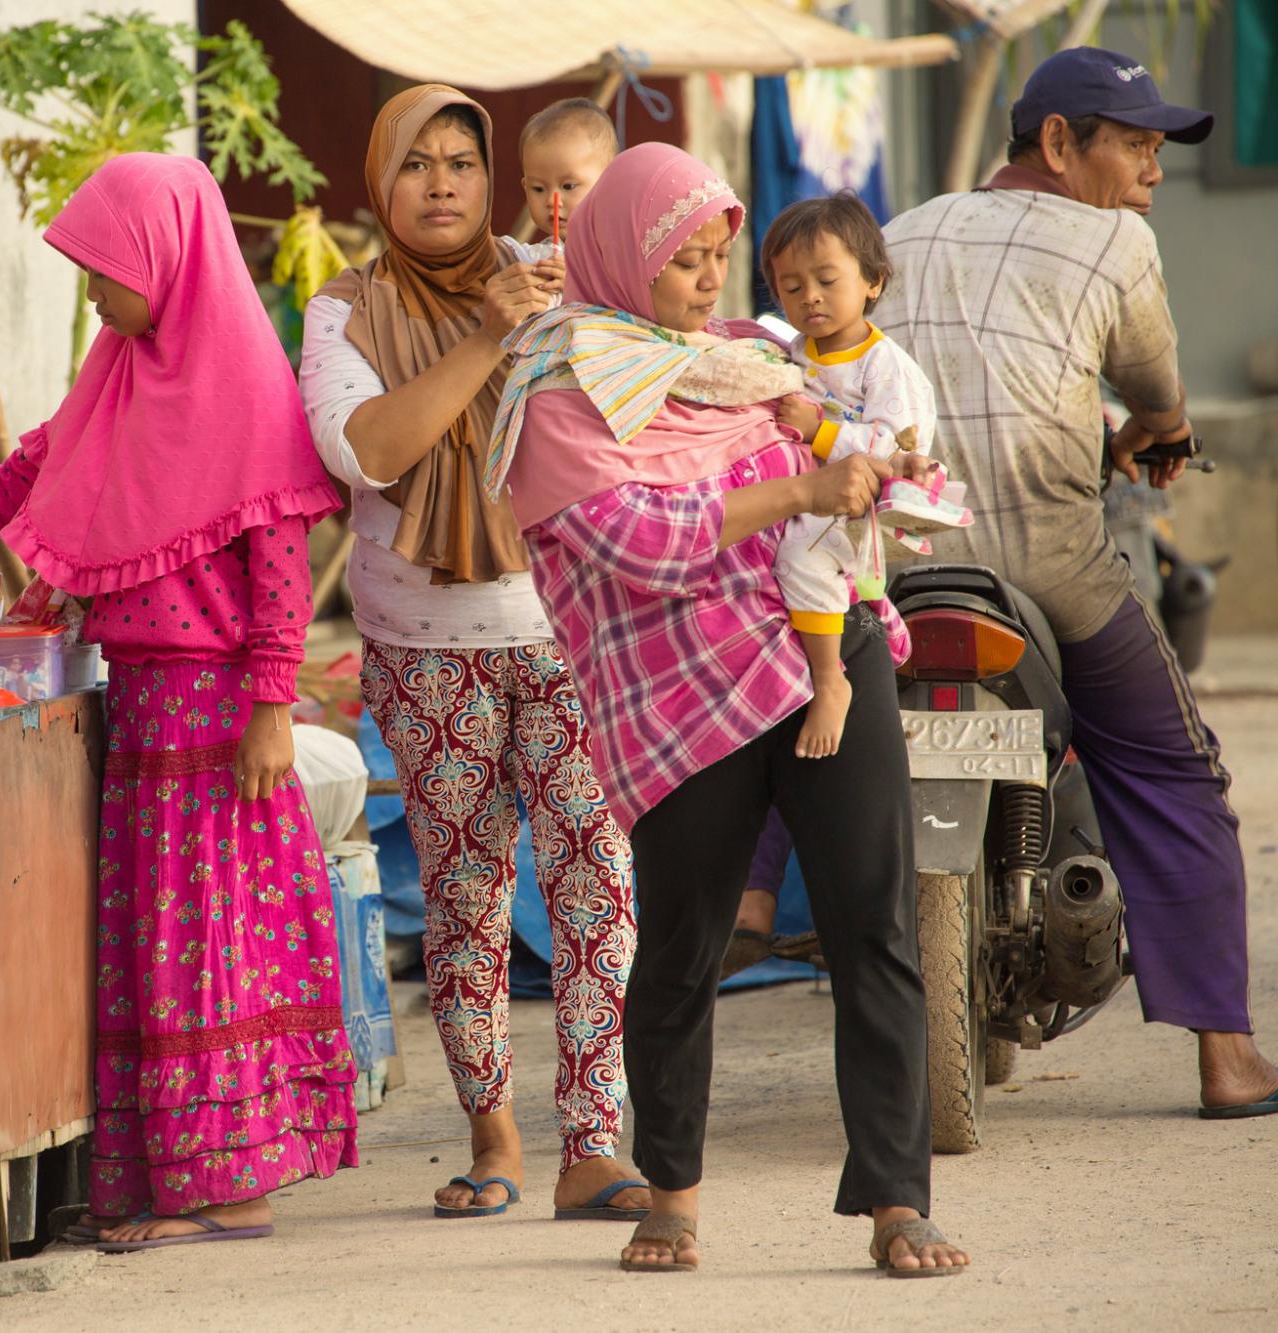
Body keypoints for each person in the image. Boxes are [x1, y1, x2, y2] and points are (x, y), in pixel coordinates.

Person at [0, 153, 359, 1250]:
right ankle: (177, 1177)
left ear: (168, 259)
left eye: (106, 271)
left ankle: (224, 1186)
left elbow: (282, 572)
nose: (95, 296)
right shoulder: (117, 378)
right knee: (160, 947)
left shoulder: (244, 390)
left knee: (207, 943)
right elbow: (19, 480)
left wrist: (271, 705)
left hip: (214, 721)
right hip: (142, 712)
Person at [487, 142, 970, 1276]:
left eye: (716, 258)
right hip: (674, 696)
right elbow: (638, 543)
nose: (711, 283)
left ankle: (898, 1199)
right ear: (619, 256)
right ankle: (672, 1192)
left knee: (873, 924)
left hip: (821, 656)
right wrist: (797, 489)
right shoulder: (561, 392)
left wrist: (883, 472)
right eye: (684, 260)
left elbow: (839, 449)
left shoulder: (747, 360)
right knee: (683, 949)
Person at [872, 47, 1278, 1120]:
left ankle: (759, 896)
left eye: (1157, 151)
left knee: (800, 719)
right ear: (1056, 143)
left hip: (892, 572)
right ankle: (1226, 1057)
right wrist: (1158, 428)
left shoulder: (895, 232)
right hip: (1050, 567)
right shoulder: (1113, 240)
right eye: (1133, 145)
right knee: (1171, 772)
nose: (1149, 172)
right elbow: (1151, 387)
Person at [301, 84, 647, 1223]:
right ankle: (492, 1131)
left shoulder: (552, 260)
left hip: (569, 631)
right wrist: (485, 334)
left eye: (461, 160)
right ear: (378, 178)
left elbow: (634, 393)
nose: (441, 182)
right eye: (416, 163)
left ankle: (591, 1137)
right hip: (424, 649)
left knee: (594, 878)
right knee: (462, 889)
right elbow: (367, 449)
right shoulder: (339, 311)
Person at [759, 193, 954, 757]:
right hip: (806, 493)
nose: (810, 297)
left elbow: (895, 450)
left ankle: (829, 680)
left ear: (872, 280)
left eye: (826, 280)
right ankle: (869, 608)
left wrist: (818, 431)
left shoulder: (885, 366)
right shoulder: (794, 351)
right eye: (791, 288)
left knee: (801, 553)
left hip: (855, 505)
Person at [519, 97, 618, 255]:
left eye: (568, 186)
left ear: (609, 182)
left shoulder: (623, 249)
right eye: (538, 189)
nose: (552, 200)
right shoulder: (533, 258)